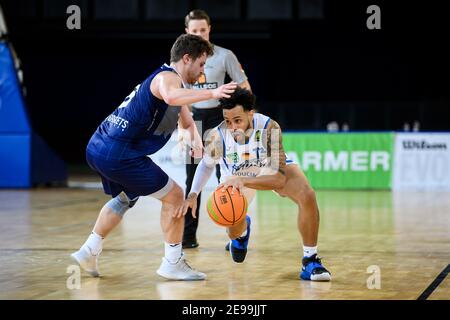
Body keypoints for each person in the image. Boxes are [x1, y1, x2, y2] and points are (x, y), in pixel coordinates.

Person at [70, 34, 237, 281]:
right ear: (186, 58)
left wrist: (197, 144)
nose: (203, 72)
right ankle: (172, 262)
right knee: (176, 196)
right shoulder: (167, 78)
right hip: (118, 152)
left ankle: (89, 250)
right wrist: (212, 94)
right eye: (201, 64)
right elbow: (170, 97)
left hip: (99, 146)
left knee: (127, 197)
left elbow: (187, 122)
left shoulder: (177, 86)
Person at [179, 88, 331, 281]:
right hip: (235, 177)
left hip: (265, 169)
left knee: (307, 194)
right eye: (227, 121)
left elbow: (278, 179)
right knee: (232, 224)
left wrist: (244, 180)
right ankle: (242, 231)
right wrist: (193, 194)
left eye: (238, 120)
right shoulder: (218, 136)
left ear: (251, 113)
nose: (232, 127)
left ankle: (310, 260)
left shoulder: (269, 128)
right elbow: (205, 165)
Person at [183, 9, 252, 249]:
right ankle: (188, 237)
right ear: (187, 32)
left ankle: (234, 235)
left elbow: (245, 87)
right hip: (194, 119)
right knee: (192, 177)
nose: (200, 34)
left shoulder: (225, 56)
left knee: (229, 177)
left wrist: (246, 118)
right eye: (195, 31)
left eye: (203, 30)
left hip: (220, 117)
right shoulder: (183, 59)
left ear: (209, 29)